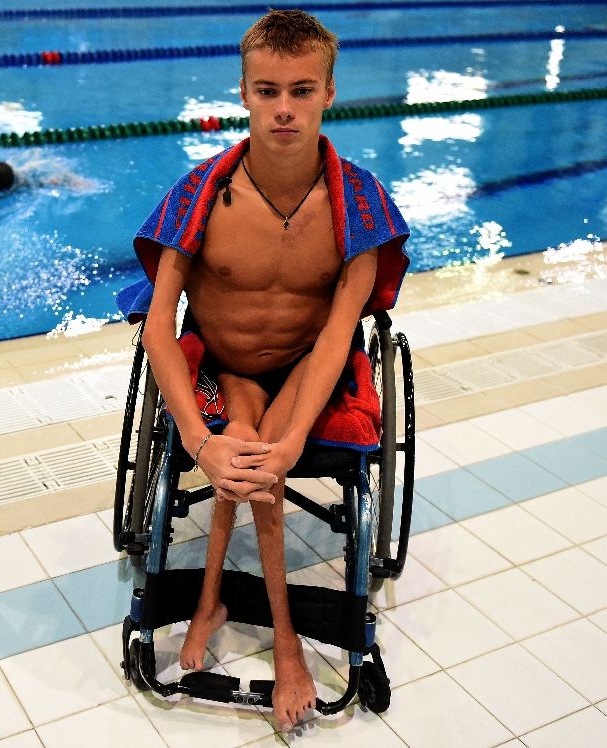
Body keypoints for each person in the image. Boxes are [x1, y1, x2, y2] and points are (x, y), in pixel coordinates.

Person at [132, 10, 409, 732]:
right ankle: (279, 642)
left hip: (306, 369)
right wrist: (198, 440)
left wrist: (282, 448)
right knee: (248, 445)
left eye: (301, 89)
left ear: (329, 93)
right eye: (268, 90)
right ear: (245, 93)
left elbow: (339, 334)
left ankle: (228, 614)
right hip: (226, 366)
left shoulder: (361, 207)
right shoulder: (198, 197)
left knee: (260, 455)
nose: (284, 107)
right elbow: (159, 329)